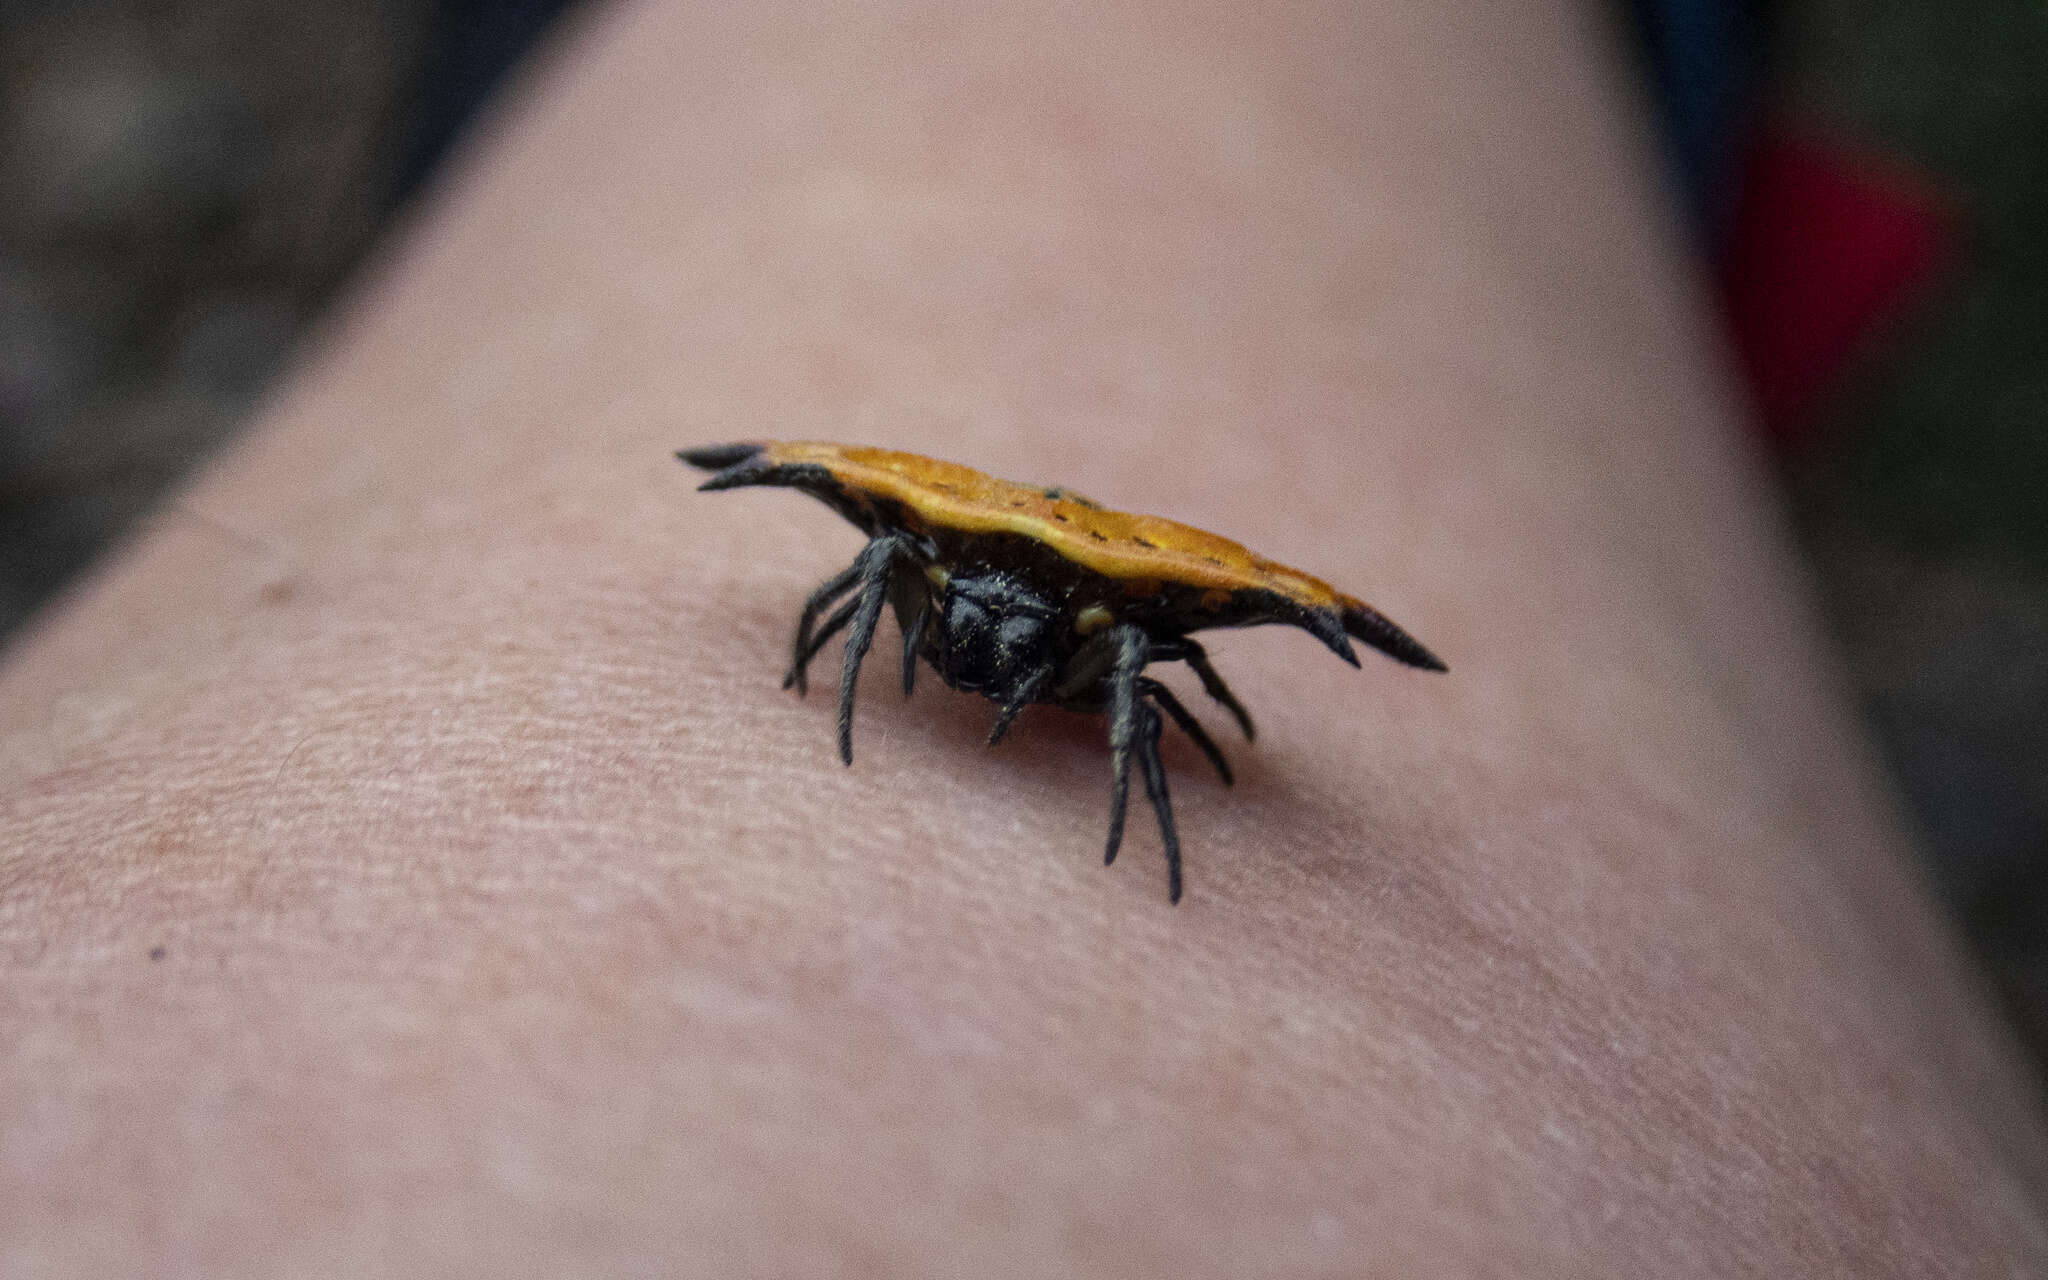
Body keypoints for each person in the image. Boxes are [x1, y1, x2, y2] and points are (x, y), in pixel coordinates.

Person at [3, 1, 2042, 1273]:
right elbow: (864, 556)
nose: (946, 616)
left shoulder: (1108, 650)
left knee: (1147, 640)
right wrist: (836, 640)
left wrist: (1171, 739)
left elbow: (1170, 654)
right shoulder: (920, 579)